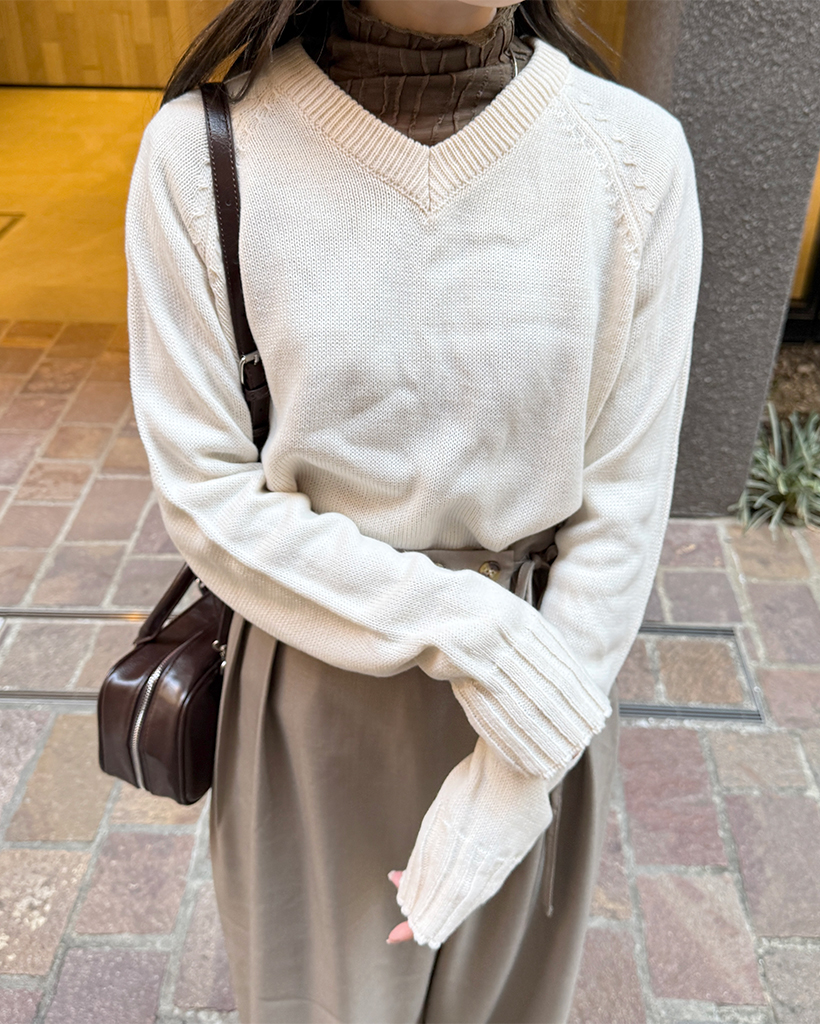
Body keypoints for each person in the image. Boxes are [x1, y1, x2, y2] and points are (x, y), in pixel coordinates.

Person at [125, 0, 703, 1020]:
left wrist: (517, 778)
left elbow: (622, 507)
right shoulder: (202, 156)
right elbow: (207, 492)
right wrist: (473, 631)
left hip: (541, 699)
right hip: (316, 701)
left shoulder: (635, 158)